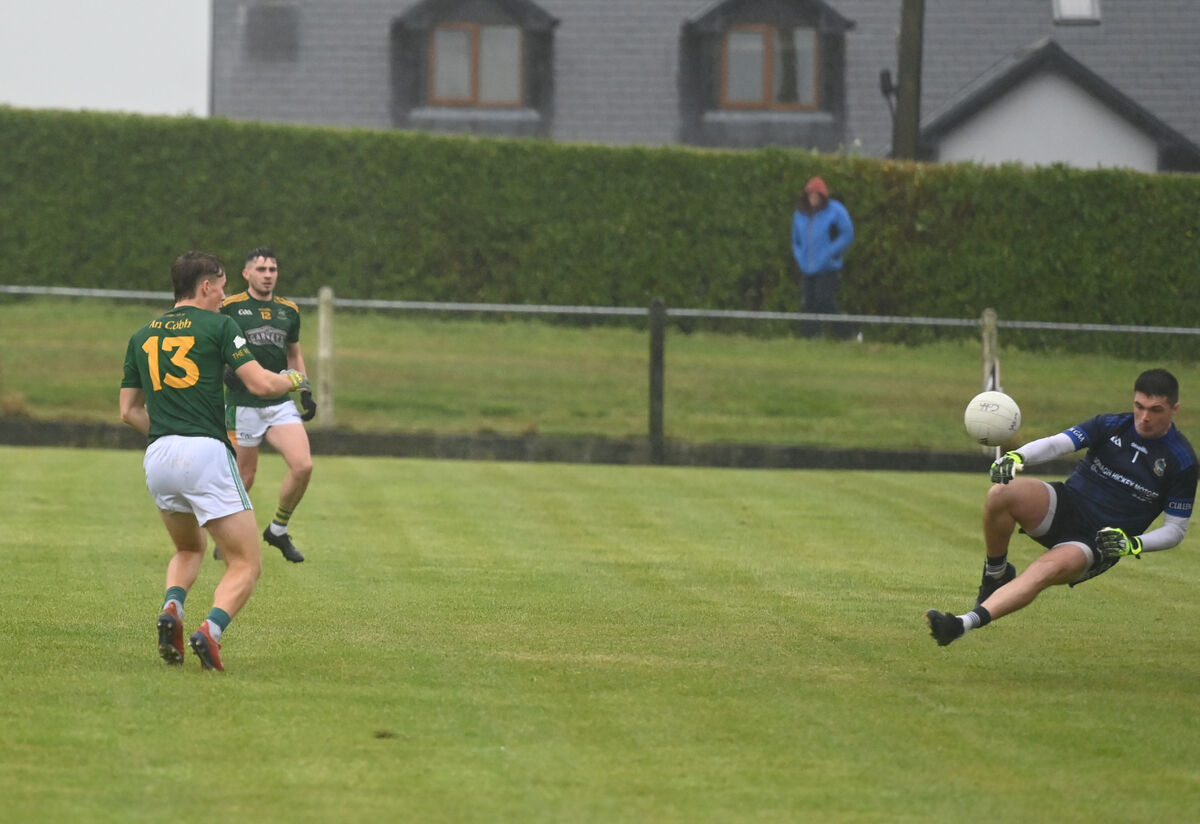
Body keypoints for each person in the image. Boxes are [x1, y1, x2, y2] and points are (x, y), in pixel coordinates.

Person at [120, 250, 310, 671]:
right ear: (205, 286)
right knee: (245, 563)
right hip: (204, 451)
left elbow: (128, 411)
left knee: (189, 548)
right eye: (222, 287)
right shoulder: (221, 324)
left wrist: (165, 429)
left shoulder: (142, 334)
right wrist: (296, 379)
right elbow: (261, 384)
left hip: (158, 455)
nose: (225, 296)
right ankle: (210, 631)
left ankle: (173, 607)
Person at [926, 368, 1198, 647]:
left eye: (1156, 410)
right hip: (1066, 503)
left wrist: (1132, 544)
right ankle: (996, 574)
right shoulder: (1110, 424)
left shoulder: (1182, 461)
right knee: (1000, 492)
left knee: (1041, 572)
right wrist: (1018, 456)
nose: (1145, 418)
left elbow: (1175, 530)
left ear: (1174, 409)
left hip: (1097, 540)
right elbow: (1059, 443)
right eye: (1139, 406)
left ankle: (961, 624)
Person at [218, 247, 316, 563]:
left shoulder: (289, 310)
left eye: (272, 269)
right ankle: (226, 535)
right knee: (244, 478)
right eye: (261, 269)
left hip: (278, 402)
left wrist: (304, 387)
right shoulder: (229, 307)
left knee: (303, 465)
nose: (268, 275)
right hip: (243, 405)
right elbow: (210, 345)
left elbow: (294, 353)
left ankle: (277, 529)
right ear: (246, 274)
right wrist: (223, 369)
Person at [791, 176, 857, 340]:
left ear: (823, 196)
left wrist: (830, 251)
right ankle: (811, 338)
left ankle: (848, 334)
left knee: (824, 301)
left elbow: (847, 233)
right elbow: (796, 240)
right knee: (807, 305)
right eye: (810, 194)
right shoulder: (800, 214)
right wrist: (800, 258)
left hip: (828, 266)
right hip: (807, 267)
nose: (813, 197)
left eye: (816, 194)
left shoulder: (835, 210)